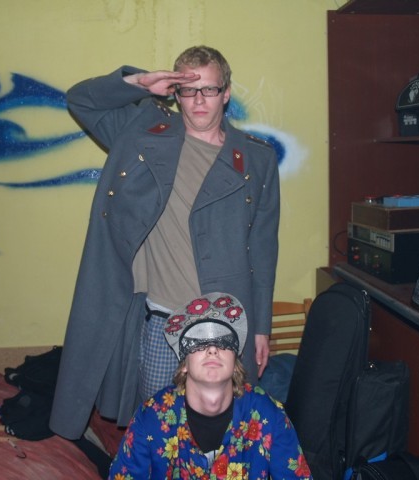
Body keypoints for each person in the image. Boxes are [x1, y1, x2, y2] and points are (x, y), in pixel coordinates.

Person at [50, 45, 280, 440]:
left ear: (226, 92)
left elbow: (263, 247)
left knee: (219, 434)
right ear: (176, 93)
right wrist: (137, 83)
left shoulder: (257, 159)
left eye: (209, 89)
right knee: (159, 431)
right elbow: (81, 100)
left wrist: (261, 327)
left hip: (223, 325)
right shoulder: (142, 132)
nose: (199, 101)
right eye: (188, 90)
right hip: (161, 321)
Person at [108, 292, 312, 479]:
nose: (212, 349)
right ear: (184, 364)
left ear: (235, 363)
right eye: (199, 341)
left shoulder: (268, 414)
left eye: (224, 341)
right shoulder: (151, 417)